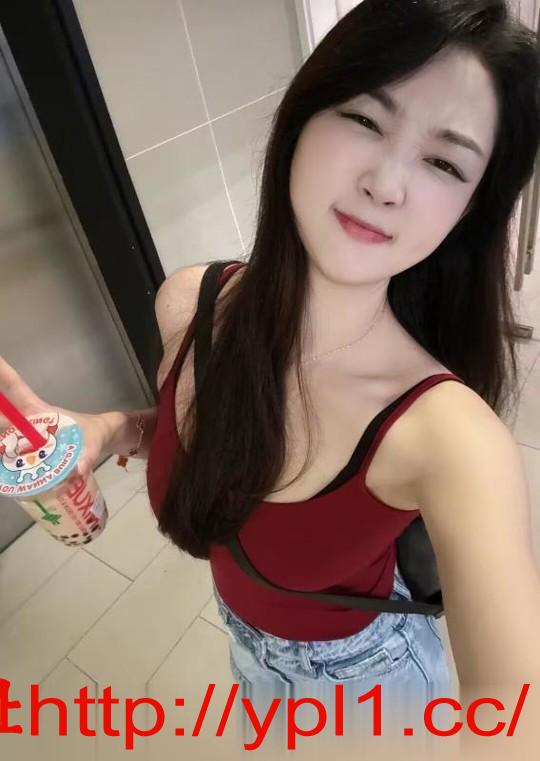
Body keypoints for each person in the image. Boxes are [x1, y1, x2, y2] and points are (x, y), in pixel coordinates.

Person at [2, 0, 540, 757]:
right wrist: (107, 429)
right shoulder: (190, 303)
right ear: (303, 115)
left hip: (369, 689)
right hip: (249, 653)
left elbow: (514, 718)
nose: (387, 182)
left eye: (445, 163)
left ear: (470, 212)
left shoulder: (452, 437)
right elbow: (219, 437)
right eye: (365, 118)